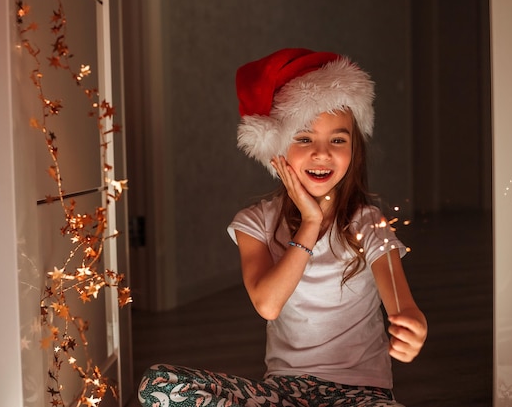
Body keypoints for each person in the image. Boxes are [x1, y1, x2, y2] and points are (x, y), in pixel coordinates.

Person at [137, 48, 427, 407]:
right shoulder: (254, 223)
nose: (322, 153)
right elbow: (268, 304)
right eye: (304, 139)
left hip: (361, 395)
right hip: (283, 393)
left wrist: (412, 324)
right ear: (276, 149)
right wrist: (310, 223)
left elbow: (401, 302)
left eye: (338, 140)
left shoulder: (367, 222)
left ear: (354, 150)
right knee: (158, 384)